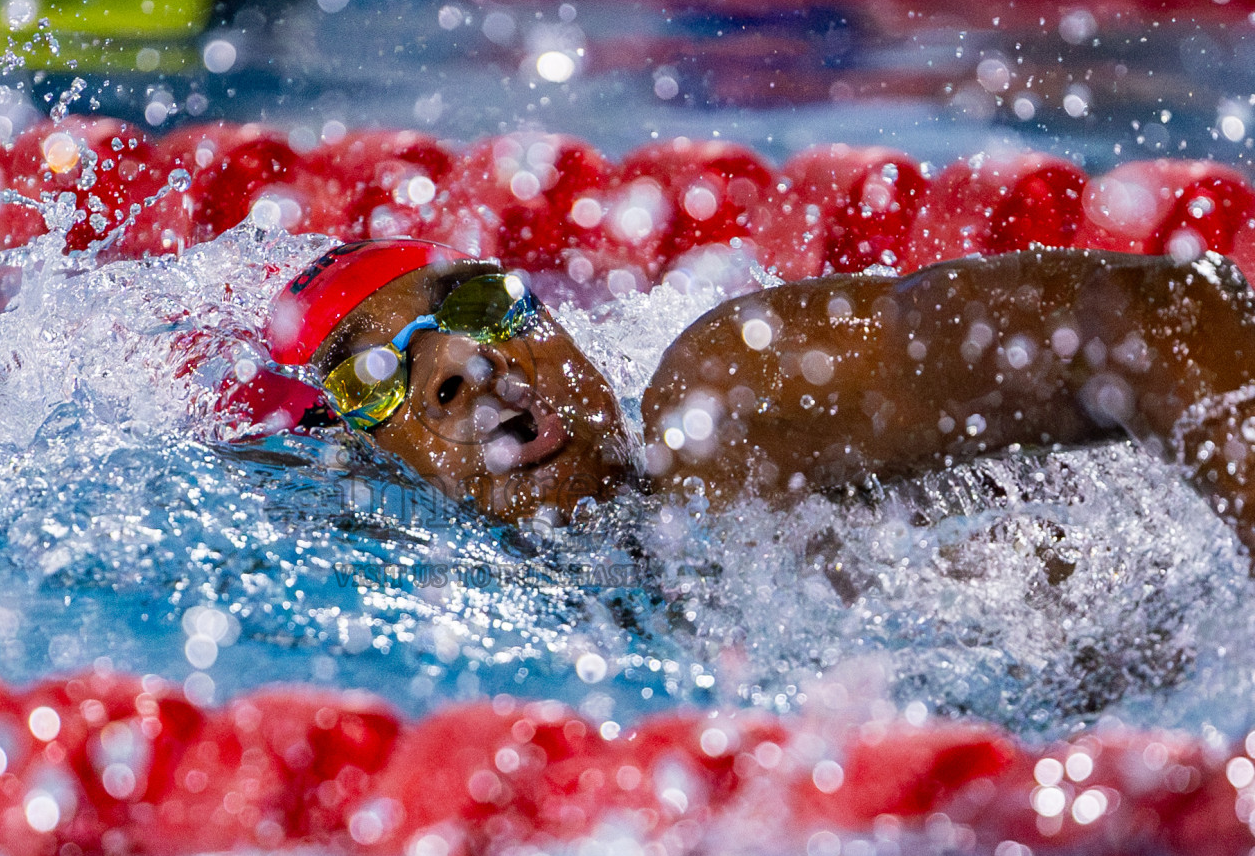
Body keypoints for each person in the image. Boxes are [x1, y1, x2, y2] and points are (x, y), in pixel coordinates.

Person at [264, 237, 1255, 559]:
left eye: (483, 303)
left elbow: (1155, 317)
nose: (463, 366)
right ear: (342, 461)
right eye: (372, 381)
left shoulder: (728, 396)